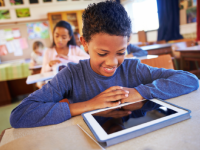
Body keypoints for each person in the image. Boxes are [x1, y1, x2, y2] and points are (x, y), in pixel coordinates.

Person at [10, 1, 199, 128]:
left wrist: (140, 92)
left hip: (135, 134)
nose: (112, 62)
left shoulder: (133, 68)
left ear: (128, 42)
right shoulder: (72, 75)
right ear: (84, 43)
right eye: (102, 53)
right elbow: (20, 115)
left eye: (120, 52)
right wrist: (88, 105)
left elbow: (190, 80)